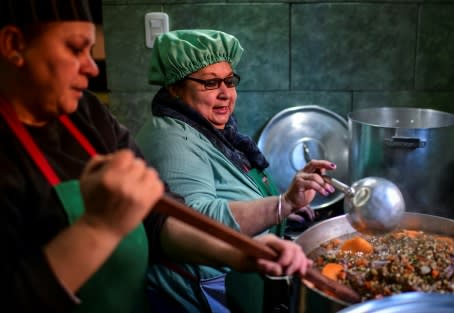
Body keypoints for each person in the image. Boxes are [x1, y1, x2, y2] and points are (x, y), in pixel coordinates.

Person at [0, 2, 314, 313]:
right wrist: (99, 227)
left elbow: (159, 218)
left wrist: (238, 253)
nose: (92, 67)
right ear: (14, 45)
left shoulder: (88, 114)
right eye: (74, 49)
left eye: (229, 81)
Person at [135, 29, 338, 312]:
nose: (225, 94)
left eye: (229, 81)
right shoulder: (172, 140)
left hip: (239, 281)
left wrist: (285, 208)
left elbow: (230, 187)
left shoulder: (207, 127)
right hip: (202, 292)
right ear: (175, 88)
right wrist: (281, 205)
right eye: (210, 83)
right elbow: (194, 221)